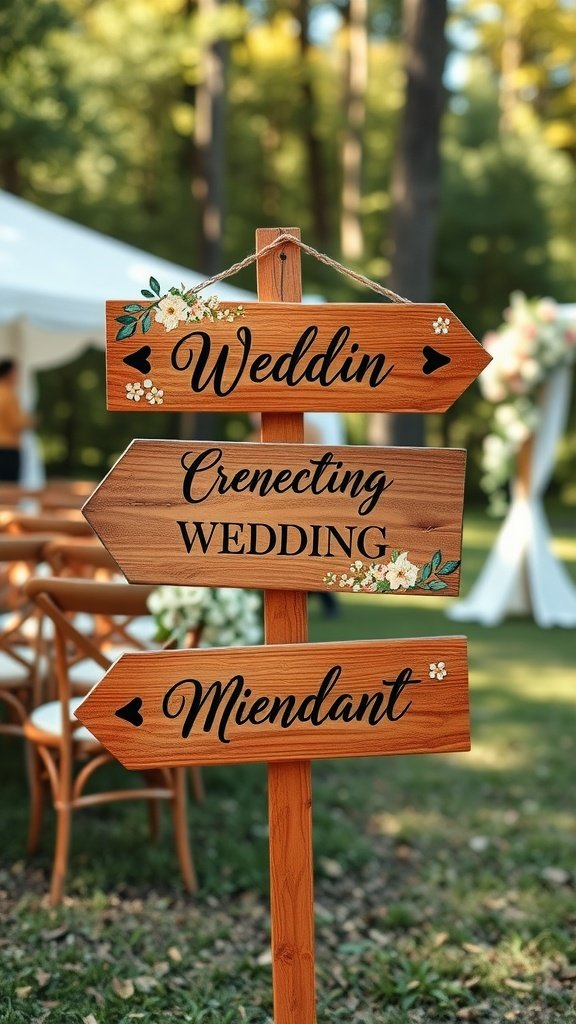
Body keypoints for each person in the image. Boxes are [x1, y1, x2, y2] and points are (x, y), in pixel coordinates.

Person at [0, 360, 35, 483]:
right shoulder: (9, 395)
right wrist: (31, 421)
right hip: (8, 449)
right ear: (9, 373)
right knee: (9, 489)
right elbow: (16, 423)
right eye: (16, 372)